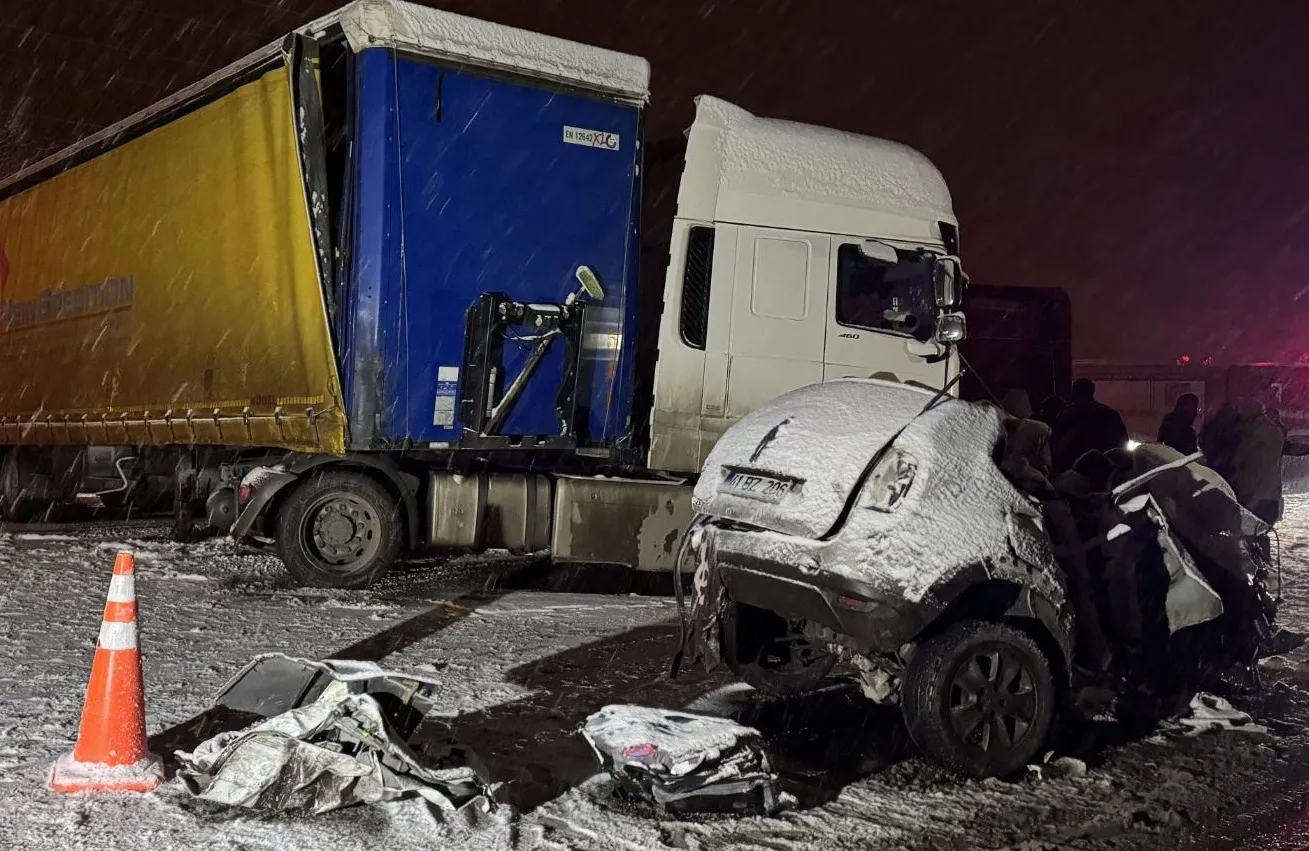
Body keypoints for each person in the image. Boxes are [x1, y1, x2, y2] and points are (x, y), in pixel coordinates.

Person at [1052, 379, 1129, 471]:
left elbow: (1058, 446)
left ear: (1074, 392)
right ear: (1092, 391)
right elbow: (1122, 442)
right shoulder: (1110, 414)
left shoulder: (1066, 415)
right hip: (1104, 470)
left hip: (1072, 469)